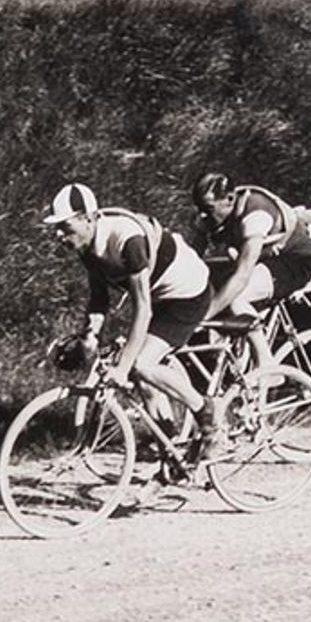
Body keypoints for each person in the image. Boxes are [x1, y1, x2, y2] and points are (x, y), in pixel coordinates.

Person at [42, 181, 220, 442]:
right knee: (144, 381)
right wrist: (90, 335)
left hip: (187, 294)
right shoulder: (87, 245)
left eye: (65, 227)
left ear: (88, 218)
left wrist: (123, 367)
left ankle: (206, 412)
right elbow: (99, 300)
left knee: (140, 363)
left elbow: (143, 310)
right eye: (57, 228)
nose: (59, 235)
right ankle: (169, 447)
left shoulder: (127, 239)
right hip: (160, 294)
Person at [194, 172, 311, 319]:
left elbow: (242, 276)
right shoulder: (209, 214)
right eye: (199, 208)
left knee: (235, 300)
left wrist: (203, 316)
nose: (202, 215)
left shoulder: (256, 217)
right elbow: (193, 259)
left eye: (208, 208)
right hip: (265, 258)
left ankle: (258, 341)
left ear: (230, 199)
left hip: (295, 261)